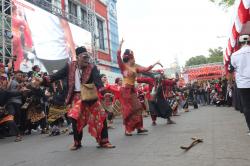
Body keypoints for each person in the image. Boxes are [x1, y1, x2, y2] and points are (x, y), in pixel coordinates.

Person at [43, 46, 115, 150]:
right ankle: (77, 142)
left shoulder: (92, 67)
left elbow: (98, 82)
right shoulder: (69, 66)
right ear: (77, 57)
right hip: (76, 97)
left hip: (90, 96)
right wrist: (43, 80)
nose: (87, 59)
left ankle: (104, 141)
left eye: (87, 57)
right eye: (84, 57)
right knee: (75, 119)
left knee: (101, 116)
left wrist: (104, 93)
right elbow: (56, 76)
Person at [117, 39, 162, 136]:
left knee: (138, 107)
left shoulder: (135, 67)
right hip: (125, 90)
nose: (135, 59)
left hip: (132, 89)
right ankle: (128, 129)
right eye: (133, 58)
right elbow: (118, 55)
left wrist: (155, 63)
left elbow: (146, 69)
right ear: (129, 58)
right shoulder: (123, 66)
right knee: (128, 110)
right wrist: (120, 45)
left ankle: (139, 127)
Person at [230, 34, 250, 135]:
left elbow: (231, 69)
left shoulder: (235, 55)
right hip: (243, 84)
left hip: (243, 84)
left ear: (239, 43)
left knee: (247, 107)